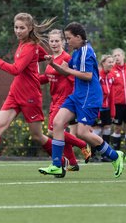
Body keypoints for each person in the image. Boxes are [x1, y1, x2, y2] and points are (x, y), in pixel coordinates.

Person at [0, 13, 69, 176]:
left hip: (30, 96)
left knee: (37, 136)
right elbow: (40, 56)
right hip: (15, 94)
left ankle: (60, 161)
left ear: (30, 28)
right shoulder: (25, 45)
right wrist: (45, 57)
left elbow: (15, 69)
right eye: (16, 27)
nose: (18, 31)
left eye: (22, 28)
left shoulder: (29, 46)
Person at [38, 22, 124, 178]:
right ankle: (57, 165)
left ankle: (115, 156)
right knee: (57, 123)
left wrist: (68, 69)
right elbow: (65, 71)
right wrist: (53, 64)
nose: (67, 41)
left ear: (78, 37)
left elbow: (88, 75)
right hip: (77, 95)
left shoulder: (86, 52)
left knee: (82, 133)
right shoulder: (77, 51)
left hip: (89, 97)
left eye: (69, 38)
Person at [39, 29, 91, 171]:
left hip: (65, 100)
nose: (54, 43)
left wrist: (77, 102)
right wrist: (31, 79)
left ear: (62, 42)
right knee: (59, 131)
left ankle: (81, 144)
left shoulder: (67, 58)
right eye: (51, 41)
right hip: (54, 99)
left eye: (57, 41)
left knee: (52, 132)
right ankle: (73, 163)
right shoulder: (50, 59)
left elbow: (75, 80)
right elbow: (47, 77)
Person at [92, 54, 115, 162]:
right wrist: (96, 112)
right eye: (109, 62)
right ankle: (92, 155)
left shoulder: (110, 77)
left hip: (106, 108)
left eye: (112, 62)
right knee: (96, 131)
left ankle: (105, 155)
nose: (111, 64)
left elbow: (111, 96)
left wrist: (113, 112)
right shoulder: (98, 76)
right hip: (98, 108)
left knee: (107, 130)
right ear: (103, 63)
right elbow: (95, 94)